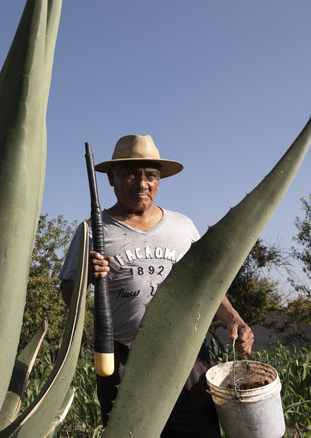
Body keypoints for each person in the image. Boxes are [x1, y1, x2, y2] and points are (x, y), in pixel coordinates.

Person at [59, 134, 254, 437]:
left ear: (159, 180)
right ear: (112, 179)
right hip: (122, 361)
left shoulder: (182, 226)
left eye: (150, 175)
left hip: (186, 358)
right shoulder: (91, 230)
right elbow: (69, 295)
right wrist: (87, 276)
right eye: (130, 174)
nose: (141, 183)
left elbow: (207, 287)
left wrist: (235, 320)